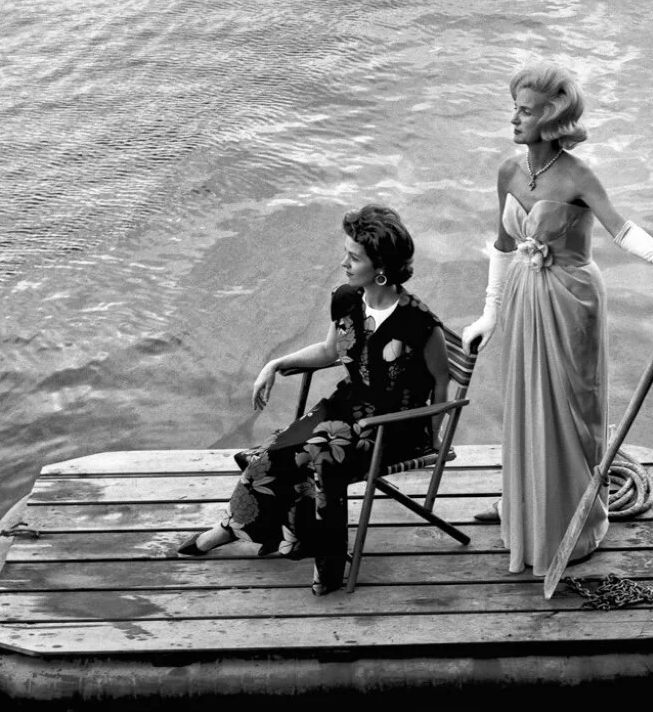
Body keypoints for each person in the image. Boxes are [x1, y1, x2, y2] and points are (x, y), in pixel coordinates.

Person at [461, 62, 653, 576]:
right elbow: (503, 245)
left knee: (573, 411)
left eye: (525, 111)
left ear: (551, 120)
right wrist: (489, 314)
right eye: (514, 108)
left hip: (573, 300)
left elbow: (622, 230)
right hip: (525, 300)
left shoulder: (578, 176)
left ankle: (573, 524)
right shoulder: (508, 172)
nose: (514, 119)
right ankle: (522, 511)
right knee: (527, 402)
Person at [178, 204, 449, 596]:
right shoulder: (347, 299)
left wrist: (434, 435)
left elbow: (443, 383)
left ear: (382, 266)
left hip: (393, 427)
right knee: (273, 455)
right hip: (345, 407)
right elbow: (329, 351)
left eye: (354, 257)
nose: (344, 263)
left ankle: (320, 558)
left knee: (319, 458)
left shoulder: (420, 324)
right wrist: (275, 363)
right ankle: (241, 528)